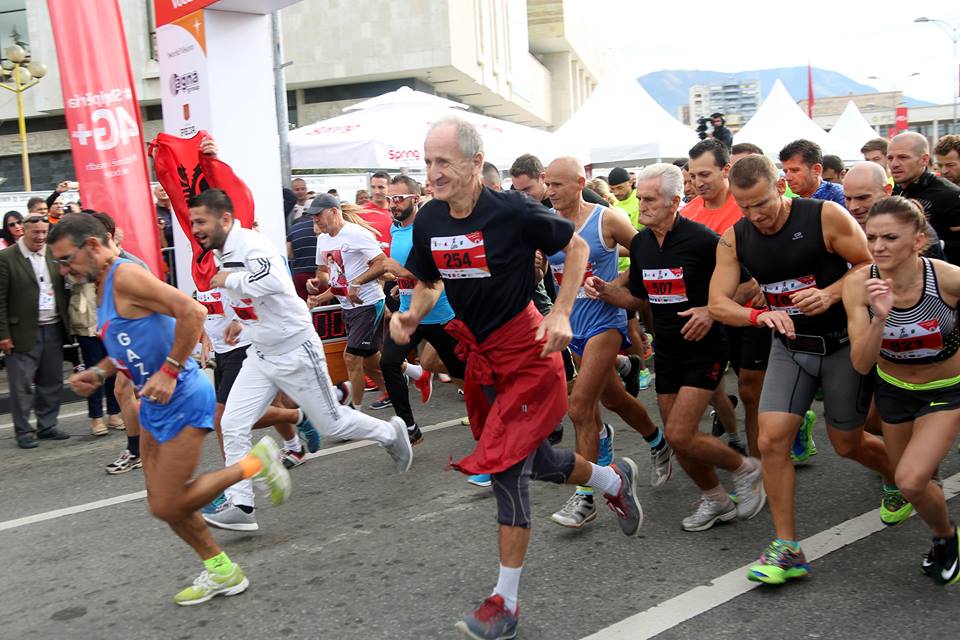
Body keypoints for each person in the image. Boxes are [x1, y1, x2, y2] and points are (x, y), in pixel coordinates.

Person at [396, 117, 643, 639]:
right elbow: (429, 280)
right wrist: (413, 314)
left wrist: (562, 313)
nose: (433, 173)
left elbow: (576, 248)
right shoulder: (429, 220)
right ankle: (612, 479)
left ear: (473, 162)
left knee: (508, 468)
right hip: (482, 357)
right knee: (535, 459)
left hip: (529, 352)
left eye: (443, 162)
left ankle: (504, 603)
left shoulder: (510, 210)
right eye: (427, 162)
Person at [49, 213, 291, 605]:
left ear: (92, 246)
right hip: (155, 404)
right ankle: (221, 571)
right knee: (161, 501)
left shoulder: (125, 275)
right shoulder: (102, 282)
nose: (63, 270)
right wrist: (99, 371)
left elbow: (192, 312)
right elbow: (130, 340)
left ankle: (256, 463)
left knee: (167, 503)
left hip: (180, 396)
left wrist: (169, 370)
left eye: (66, 259)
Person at [709, 154, 905, 585]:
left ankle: (899, 476)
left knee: (847, 444)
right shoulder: (736, 237)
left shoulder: (824, 215)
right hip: (790, 347)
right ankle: (787, 547)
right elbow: (718, 303)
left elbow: (869, 264)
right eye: (744, 207)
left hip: (841, 345)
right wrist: (758, 317)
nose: (755, 215)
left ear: (781, 186)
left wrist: (832, 294)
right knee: (772, 439)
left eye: (761, 203)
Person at [189, 185, 412, 524]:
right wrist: (238, 321)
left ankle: (389, 433)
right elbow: (253, 297)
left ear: (225, 219)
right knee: (232, 423)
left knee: (332, 422)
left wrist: (230, 281)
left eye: (201, 221)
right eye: (193, 223)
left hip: (295, 347)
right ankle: (242, 505)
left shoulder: (250, 245)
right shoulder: (225, 250)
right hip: (262, 353)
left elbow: (274, 282)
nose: (195, 229)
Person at [588, 163, 765, 532]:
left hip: (706, 348)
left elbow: (749, 287)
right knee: (676, 436)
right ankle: (716, 499)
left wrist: (709, 311)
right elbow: (638, 299)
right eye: (642, 198)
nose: (642, 205)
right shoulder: (640, 244)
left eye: (650, 199)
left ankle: (747, 469)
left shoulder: (702, 239)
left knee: (682, 432)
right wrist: (607, 292)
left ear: (674, 202)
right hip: (667, 349)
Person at [544, 157, 672, 530]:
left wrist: (616, 287)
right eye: (547, 184)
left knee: (580, 407)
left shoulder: (606, 219)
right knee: (614, 399)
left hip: (606, 322)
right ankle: (658, 440)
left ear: (579, 182)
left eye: (558, 185)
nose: (550, 192)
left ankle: (586, 497)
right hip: (573, 327)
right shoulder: (547, 225)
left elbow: (650, 255)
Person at [842, 196, 960, 586]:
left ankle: (946, 538)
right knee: (912, 483)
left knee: (909, 480)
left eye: (891, 237)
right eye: (871, 237)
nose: (878, 247)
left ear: (918, 240)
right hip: (893, 391)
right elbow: (861, 363)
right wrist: (880, 318)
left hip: (946, 391)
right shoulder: (859, 285)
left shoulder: (947, 280)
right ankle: (934, 496)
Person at [683, 139, 764, 457]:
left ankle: (760, 468)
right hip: (708, 316)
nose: (697, 183)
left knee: (750, 392)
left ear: (726, 169)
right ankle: (734, 437)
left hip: (749, 315)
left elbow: (757, 277)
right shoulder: (688, 214)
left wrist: (714, 308)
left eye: (705, 174)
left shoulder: (747, 206)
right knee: (712, 389)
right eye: (692, 176)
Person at [378, 175, 465, 446]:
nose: (393, 204)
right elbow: (407, 273)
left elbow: (436, 276)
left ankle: (490, 412)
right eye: (389, 199)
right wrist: (399, 285)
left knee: (462, 372)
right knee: (388, 362)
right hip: (408, 314)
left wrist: (400, 271)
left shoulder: (427, 230)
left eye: (398, 198)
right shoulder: (395, 230)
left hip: (440, 316)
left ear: (415, 199)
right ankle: (409, 427)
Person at [309, 195, 390, 408]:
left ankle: (355, 412)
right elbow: (332, 278)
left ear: (334, 212)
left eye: (319, 215)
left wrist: (358, 282)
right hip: (348, 307)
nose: (315, 220)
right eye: (313, 217)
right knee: (372, 361)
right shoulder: (323, 239)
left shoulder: (357, 234)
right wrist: (317, 291)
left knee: (352, 358)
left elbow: (383, 264)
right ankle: (408, 376)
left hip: (368, 304)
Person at [0, 214, 70, 449]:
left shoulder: (53, 254)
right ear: (23, 231)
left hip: (52, 326)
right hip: (21, 331)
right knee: (20, 386)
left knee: (52, 381)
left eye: (44, 232)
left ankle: (47, 426)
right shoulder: (6, 258)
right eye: (35, 233)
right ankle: (23, 431)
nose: (41, 237)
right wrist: (3, 334)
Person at [843, 161, 945, 260]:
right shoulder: (843, 225)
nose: (853, 207)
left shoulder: (912, 223)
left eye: (862, 198)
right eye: (848, 198)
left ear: (887, 190)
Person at [889, 131, 960, 264]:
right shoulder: (894, 192)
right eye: (890, 158)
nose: (894, 164)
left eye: (903, 157)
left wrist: (935, 244)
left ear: (924, 160)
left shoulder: (950, 194)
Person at [779, 139, 846, 206]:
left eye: (795, 170)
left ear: (816, 170)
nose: (787, 178)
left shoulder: (840, 196)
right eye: (785, 172)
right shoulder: (792, 204)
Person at [286, 204, 319, 301]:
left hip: (299, 275)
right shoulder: (319, 225)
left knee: (303, 306)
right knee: (320, 305)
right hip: (317, 274)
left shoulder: (293, 228)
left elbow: (289, 254)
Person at [359, 171, 393, 255]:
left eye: (381, 187)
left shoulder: (397, 210)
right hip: (371, 264)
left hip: (396, 264)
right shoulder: (360, 212)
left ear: (390, 187)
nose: (376, 191)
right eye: (373, 187)